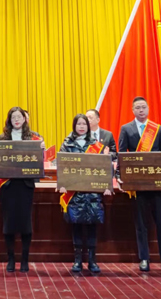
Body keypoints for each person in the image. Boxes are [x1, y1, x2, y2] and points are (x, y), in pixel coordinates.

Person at [118, 97, 161, 273]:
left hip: (157, 184)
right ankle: (144, 258)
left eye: (143, 107)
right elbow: (121, 154)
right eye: (138, 107)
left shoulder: (157, 129)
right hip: (138, 184)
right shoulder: (126, 129)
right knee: (141, 224)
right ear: (132, 110)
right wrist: (120, 176)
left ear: (148, 109)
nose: (141, 110)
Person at [0, 107, 43, 273]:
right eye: (13, 117)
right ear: (9, 120)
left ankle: (24, 260)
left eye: (19, 117)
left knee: (26, 224)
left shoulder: (33, 138)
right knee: (9, 223)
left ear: (24, 119)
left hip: (25, 186)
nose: (16, 120)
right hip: (8, 186)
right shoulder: (2, 138)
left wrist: (41, 149)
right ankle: (11, 259)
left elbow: (39, 161)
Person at [59, 114, 112, 273]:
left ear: (88, 127)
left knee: (92, 227)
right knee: (76, 226)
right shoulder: (67, 144)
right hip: (75, 193)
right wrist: (62, 184)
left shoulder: (97, 145)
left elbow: (104, 167)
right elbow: (62, 166)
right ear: (74, 126)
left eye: (84, 124)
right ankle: (77, 261)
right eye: (79, 124)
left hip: (93, 193)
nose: (81, 127)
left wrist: (107, 185)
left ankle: (92, 261)